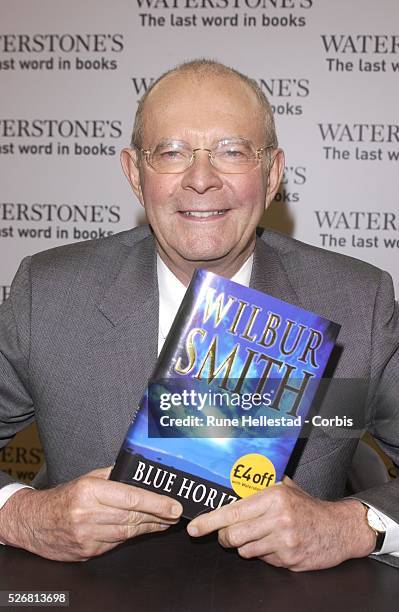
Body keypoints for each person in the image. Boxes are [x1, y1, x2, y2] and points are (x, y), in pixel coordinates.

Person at [0, 59, 398, 570]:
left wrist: (353, 525)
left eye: (232, 152)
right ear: (134, 173)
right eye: (171, 153)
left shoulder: (357, 300)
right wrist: (24, 515)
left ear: (273, 173)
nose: (201, 179)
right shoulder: (50, 294)